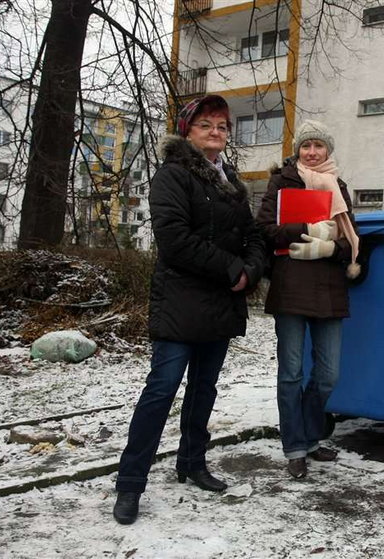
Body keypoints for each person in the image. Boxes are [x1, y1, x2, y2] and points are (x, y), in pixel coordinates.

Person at [112, 95, 265, 525]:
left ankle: (193, 462)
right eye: (206, 125)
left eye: (222, 126)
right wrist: (232, 267)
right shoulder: (173, 175)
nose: (216, 132)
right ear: (187, 131)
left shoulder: (230, 181)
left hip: (219, 302)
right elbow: (175, 240)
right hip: (180, 301)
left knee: (204, 389)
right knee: (161, 391)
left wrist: (252, 268)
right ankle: (130, 483)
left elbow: (252, 234)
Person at [256, 120, 360, 480]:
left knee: (328, 374)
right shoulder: (281, 182)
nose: (312, 153)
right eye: (306, 146)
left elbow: (352, 241)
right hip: (291, 286)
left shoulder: (339, 187)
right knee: (291, 373)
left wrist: (330, 247)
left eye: (318, 146)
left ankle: (311, 434)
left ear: (328, 151)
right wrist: (305, 230)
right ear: (297, 150)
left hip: (329, 288)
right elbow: (265, 229)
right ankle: (295, 447)